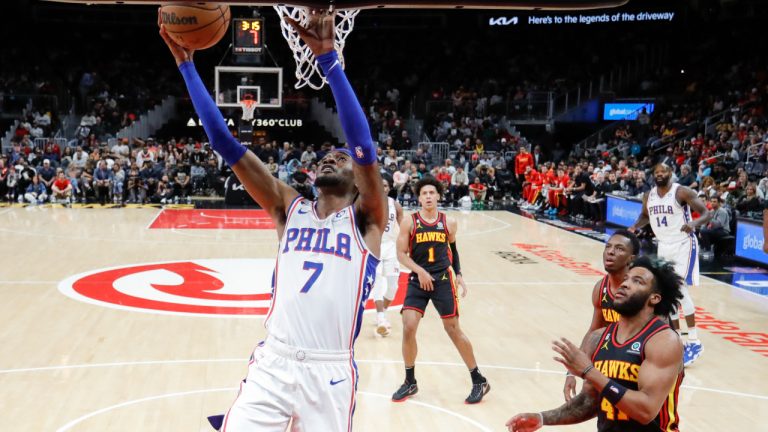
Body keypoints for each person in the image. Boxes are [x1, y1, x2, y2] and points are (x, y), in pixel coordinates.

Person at [160, 9, 387, 431]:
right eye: (325, 156)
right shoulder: (289, 207)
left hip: (331, 373)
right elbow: (224, 144)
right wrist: (187, 66)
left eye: (340, 158)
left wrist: (329, 62)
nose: (330, 157)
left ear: (360, 182)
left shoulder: (367, 221)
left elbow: (363, 148)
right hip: (274, 363)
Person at [507, 256, 685, 432]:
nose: (624, 284)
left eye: (637, 281)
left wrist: (589, 372)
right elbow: (590, 402)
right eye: (625, 279)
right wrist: (542, 418)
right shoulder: (599, 338)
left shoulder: (663, 341)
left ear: (654, 298)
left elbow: (646, 411)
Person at [392, 177, 490, 404]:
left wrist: (459, 274)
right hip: (418, 280)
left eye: (431, 193)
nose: (427, 196)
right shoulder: (410, 222)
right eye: (424, 193)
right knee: (408, 327)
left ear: (438, 196)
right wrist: (420, 271)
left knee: (453, 329)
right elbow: (401, 254)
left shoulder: (449, 222)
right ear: (418, 197)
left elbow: (453, 251)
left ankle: (479, 380)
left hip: (443, 281)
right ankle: (410, 381)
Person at [629, 163, 711, 366]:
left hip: (683, 244)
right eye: (656, 172)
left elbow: (706, 213)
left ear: (670, 174)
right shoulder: (649, 196)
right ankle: (679, 341)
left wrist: (693, 223)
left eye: (663, 172)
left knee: (680, 290)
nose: (659, 174)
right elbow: (645, 217)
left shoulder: (681, 191)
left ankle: (694, 341)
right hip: (664, 245)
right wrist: (634, 227)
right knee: (667, 292)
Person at [563, 230, 640, 401]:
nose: (611, 252)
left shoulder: (639, 291)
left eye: (619, 249)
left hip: (640, 366)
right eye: (608, 246)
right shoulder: (601, 288)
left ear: (631, 258)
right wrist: (571, 372)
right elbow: (593, 331)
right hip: (615, 363)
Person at [370, 178, 403, 337]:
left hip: (391, 246)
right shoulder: (368, 203)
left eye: (385, 185)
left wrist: (406, 246)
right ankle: (381, 318)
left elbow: (403, 229)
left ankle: (383, 312)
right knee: (377, 282)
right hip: (374, 246)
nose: (382, 188)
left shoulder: (395, 205)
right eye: (380, 184)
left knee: (393, 286)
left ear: (389, 188)